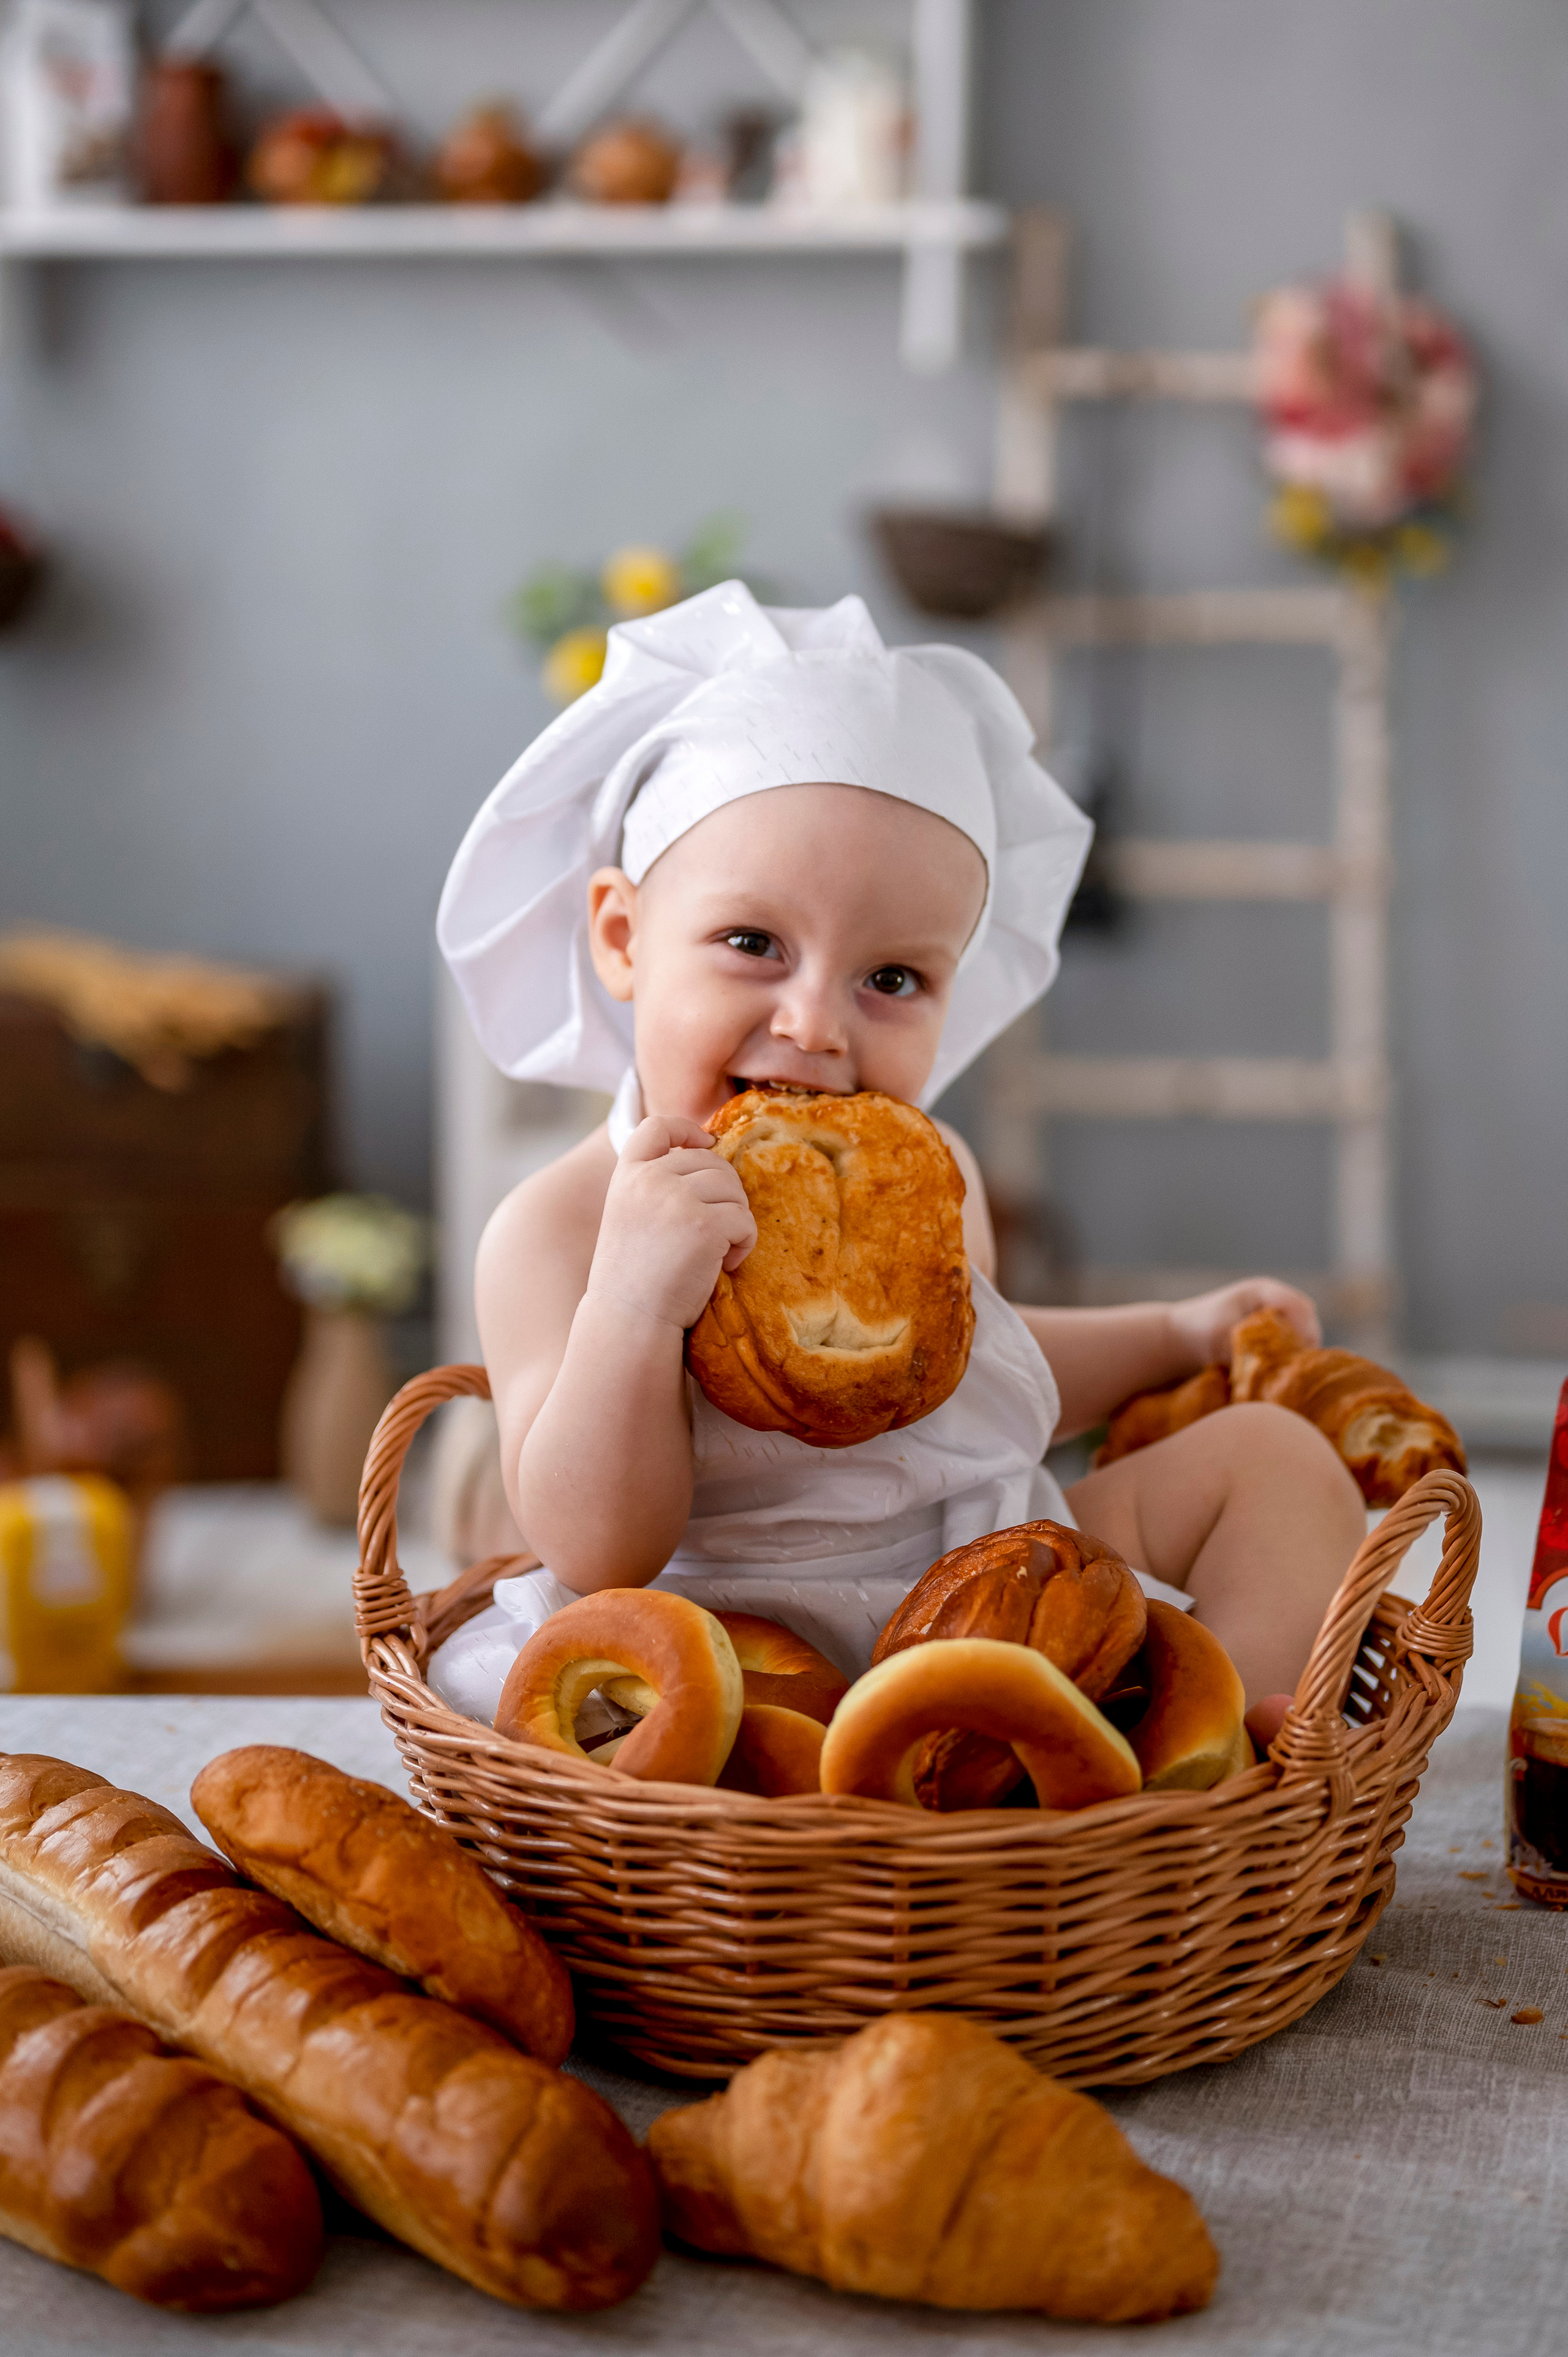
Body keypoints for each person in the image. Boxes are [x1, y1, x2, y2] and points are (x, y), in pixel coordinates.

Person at [431, 584, 1365, 1749]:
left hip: (980, 1598)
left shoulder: (927, 1183)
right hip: (728, 1660)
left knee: (1273, 1460)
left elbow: (986, 1375)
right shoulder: (557, 1227)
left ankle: (1211, 1761)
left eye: (892, 979)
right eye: (752, 945)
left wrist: (1174, 1333)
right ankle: (903, 1795)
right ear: (624, 939)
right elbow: (594, 1546)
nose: (816, 1023)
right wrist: (632, 1302)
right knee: (639, 1733)